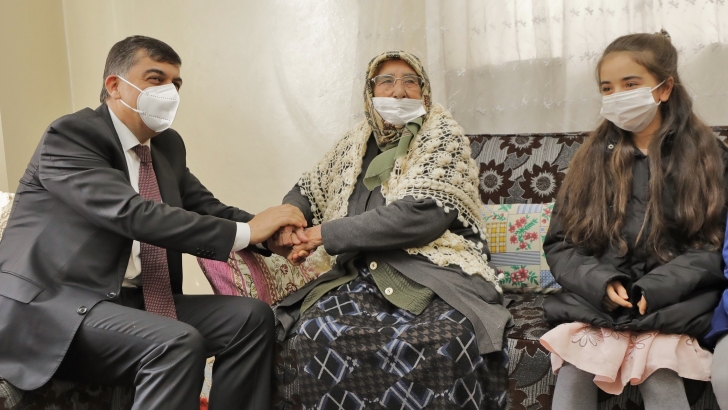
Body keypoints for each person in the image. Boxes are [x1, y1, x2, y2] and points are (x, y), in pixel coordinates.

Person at [0, 35, 307, 410]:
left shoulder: (167, 146)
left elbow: (206, 208)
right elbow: (132, 214)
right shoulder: (72, 136)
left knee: (250, 318)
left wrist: (269, 236)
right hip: (55, 306)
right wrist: (245, 232)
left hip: (130, 302)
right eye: (156, 79)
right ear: (114, 85)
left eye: (176, 84)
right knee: (176, 343)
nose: (169, 92)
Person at [266, 50, 512, 409]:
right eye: (386, 81)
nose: (398, 91)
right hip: (359, 275)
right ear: (371, 92)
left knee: (445, 339)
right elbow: (309, 189)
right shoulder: (354, 143)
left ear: (424, 92)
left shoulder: (443, 138)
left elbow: (419, 216)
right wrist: (291, 219)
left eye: (410, 81)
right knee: (314, 331)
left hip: (434, 272)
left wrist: (323, 234)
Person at [539, 30, 728, 410]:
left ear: (664, 88)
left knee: (659, 374)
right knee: (575, 371)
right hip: (598, 303)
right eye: (607, 88)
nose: (617, 96)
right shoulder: (590, 158)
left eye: (630, 84)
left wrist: (654, 290)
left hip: (673, 304)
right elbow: (562, 243)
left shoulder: (708, 157)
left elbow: (713, 247)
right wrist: (602, 282)